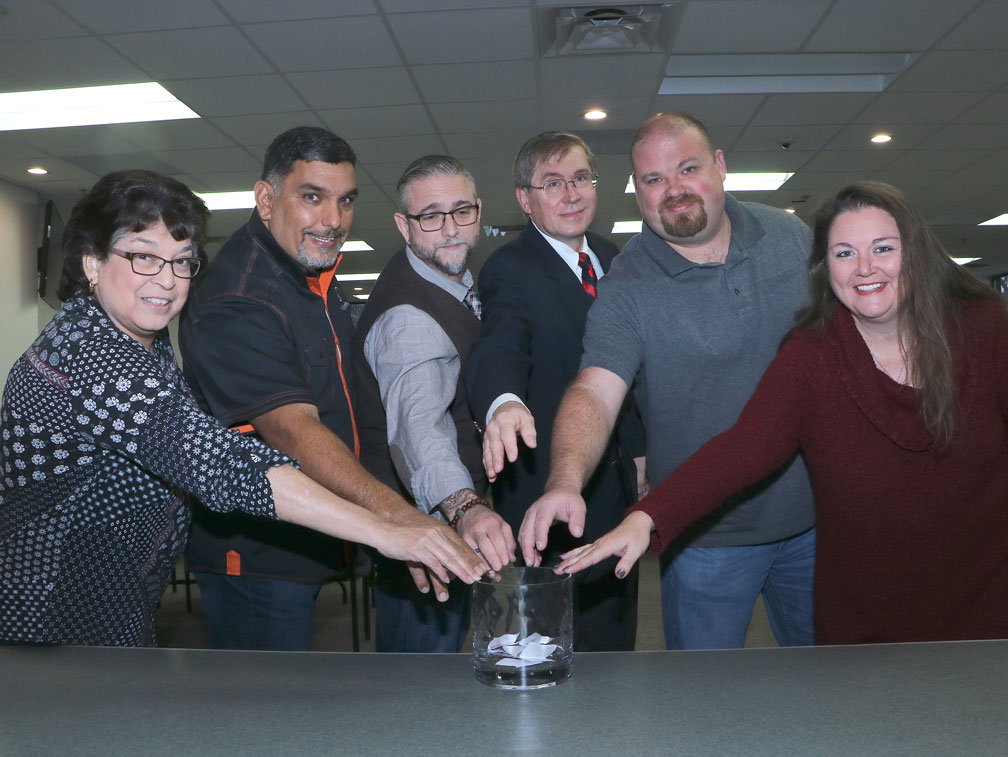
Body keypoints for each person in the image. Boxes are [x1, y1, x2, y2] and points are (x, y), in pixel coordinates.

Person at [0, 169, 486, 647]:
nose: (167, 281)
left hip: (116, 604)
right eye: (143, 258)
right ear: (92, 263)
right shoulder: (91, 356)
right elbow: (225, 464)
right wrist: (387, 530)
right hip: (51, 620)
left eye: (182, 261)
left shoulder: (139, 340)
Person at [557, 180, 1008, 645]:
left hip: (987, 603)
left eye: (883, 248)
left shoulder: (985, 330)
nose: (865, 268)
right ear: (822, 268)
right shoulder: (813, 357)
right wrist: (645, 517)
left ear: (914, 253)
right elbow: (745, 447)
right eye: (844, 253)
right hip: (868, 620)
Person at [179, 128, 483, 651]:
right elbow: (296, 432)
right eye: (312, 197)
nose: (333, 220)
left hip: (321, 538)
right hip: (257, 556)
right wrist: (403, 522)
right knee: (268, 717)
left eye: (345, 201)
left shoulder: (307, 276)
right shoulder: (241, 296)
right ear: (267, 197)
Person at [521, 112, 816, 650]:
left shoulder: (791, 239)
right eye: (654, 180)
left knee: (838, 688)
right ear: (637, 193)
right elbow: (595, 390)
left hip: (815, 522)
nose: (674, 190)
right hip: (703, 535)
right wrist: (564, 480)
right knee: (701, 712)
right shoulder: (627, 286)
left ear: (720, 166)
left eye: (687, 169)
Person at [465, 132, 643, 651]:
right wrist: (504, 402)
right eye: (551, 183)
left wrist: (639, 452)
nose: (571, 194)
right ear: (525, 199)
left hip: (615, 492)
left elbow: (625, 369)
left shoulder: (616, 258)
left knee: (614, 646)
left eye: (581, 178)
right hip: (546, 492)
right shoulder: (510, 268)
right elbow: (499, 347)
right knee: (551, 645)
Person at [353, 155, 515, 652]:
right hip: (420, 542)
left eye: (461, 211)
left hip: (442, 532)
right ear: (404, 225)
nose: (448, 229)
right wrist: (464, 506)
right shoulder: (408, 318)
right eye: (430, 216)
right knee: (417, 697)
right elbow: (418, 427)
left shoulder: (457, 281)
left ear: (479, 211)